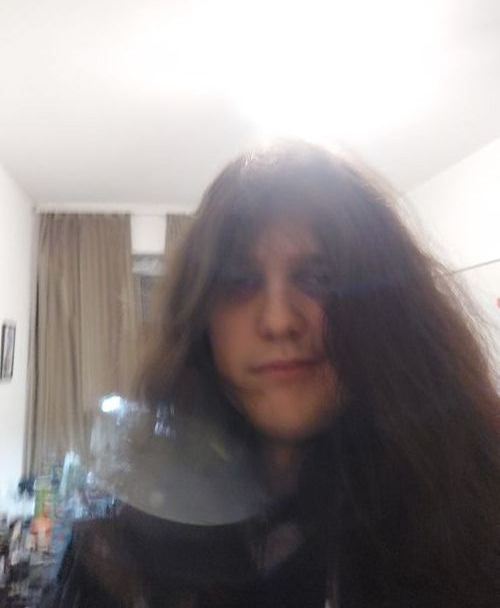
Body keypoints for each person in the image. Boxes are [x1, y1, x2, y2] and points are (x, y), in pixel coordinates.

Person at [46, 142, 500, 607]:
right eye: (240, 280)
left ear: (388, 308)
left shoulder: (476, 524)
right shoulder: (116, 561)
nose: (279, 321)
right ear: (201, 321)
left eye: (320, 278)